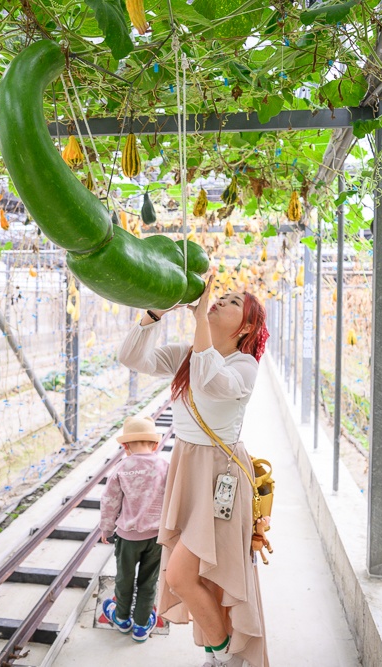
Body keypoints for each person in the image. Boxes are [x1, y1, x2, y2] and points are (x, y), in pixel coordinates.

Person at [118, 275, 270, 667]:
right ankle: (222, 652)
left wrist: (200, 319)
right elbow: (132, 358)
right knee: (196, 576)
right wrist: (154, 314)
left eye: (232, 301)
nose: (219, 301)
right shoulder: (187, 354)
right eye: (219, 297)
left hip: (221, 477)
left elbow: (209, 379)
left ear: (247, 327)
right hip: (188, 468)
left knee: (182, 574)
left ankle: (226, 655)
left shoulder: (244, 366)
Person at [100, 416, 169, 642]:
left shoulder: (122, 467)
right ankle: (141, 626)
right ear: (155, 445)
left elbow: (110, 501)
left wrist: (106, 529)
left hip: (128, 538)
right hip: (157, 537)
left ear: (125, 447)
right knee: (149, 581)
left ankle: (121, 618)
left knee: (125, 578)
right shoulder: (164, 467)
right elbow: (174, 500)